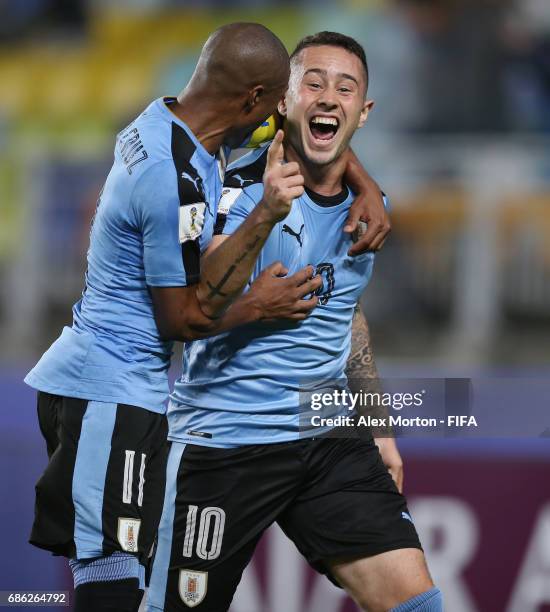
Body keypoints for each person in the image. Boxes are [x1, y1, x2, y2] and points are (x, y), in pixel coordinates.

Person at [24, 23, 388, 612]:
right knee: (111, 584)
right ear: (254, 100)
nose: (285, 116)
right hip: (108, 390)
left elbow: (317, 134)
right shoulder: (172, 181)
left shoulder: (173, 122)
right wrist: (258, 302)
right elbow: (179, 320)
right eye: (279, 100)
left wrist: (363, 183)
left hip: (107, 384)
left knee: (120, 570)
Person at [145, 32, 442, 612]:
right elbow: (189, 307)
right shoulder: (238, 191)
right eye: (314, 83)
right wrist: (259, 288)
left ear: (364, 111)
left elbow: (348, 319)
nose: (329, 97)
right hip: (225, 441)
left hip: (327, 436)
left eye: (345, 88)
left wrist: (377, 426)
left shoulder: (368, 213)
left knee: (417, 603)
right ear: (284, 101)